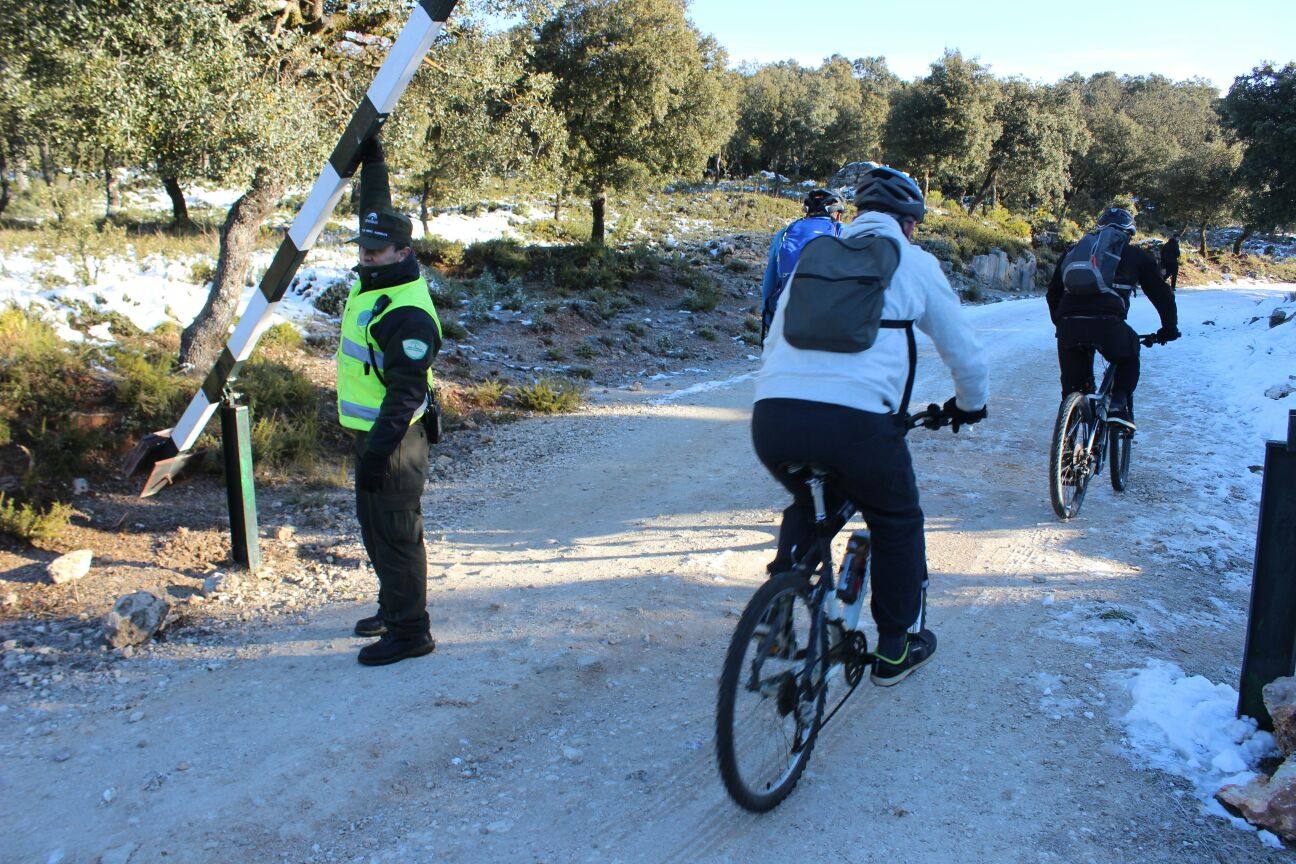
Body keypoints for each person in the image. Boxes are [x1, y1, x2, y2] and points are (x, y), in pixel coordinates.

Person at [752, 165, 989, 686]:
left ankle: (779, 601)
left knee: (809, 501)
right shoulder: (916, 262)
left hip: (773, 417)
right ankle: (896, 649)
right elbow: (966, 355)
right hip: (857, 426)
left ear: (857, 215)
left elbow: (774, 336)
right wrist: (971, 405)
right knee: (895, 519)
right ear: (909, 223)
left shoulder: (816, 255)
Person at [337, 130, 443, 666]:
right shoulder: (376, 277)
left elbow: (407, 392)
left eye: (375, 252)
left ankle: (411, 631)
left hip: (396, 440)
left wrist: (378, 452)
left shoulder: (406, 311)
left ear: (404, 252)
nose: (366, 259)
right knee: (374, 526)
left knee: (398, 531)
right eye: (362, 250)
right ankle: (392, 605)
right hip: (372, 436)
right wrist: (373, 161)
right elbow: (375, 208)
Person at [1046, 207, 1179, 432]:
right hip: (1108, 325)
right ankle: (1118, 405)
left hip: (1070, 324)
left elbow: (1053, 294)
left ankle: (1066, 450)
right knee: (1129, 353)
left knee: (1073, 389)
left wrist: (1062, 323)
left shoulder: (1074, 251)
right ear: (1129, 233)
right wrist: (1169, 327)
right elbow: (1161, 294)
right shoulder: (1136, 255)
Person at [759, 189, 847, 337]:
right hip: (830, 323)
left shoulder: (785, 233)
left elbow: (770, 284)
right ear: (837, 214)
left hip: (788, 321)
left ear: (807, 211)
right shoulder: (843, 231)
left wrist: (768, 321)